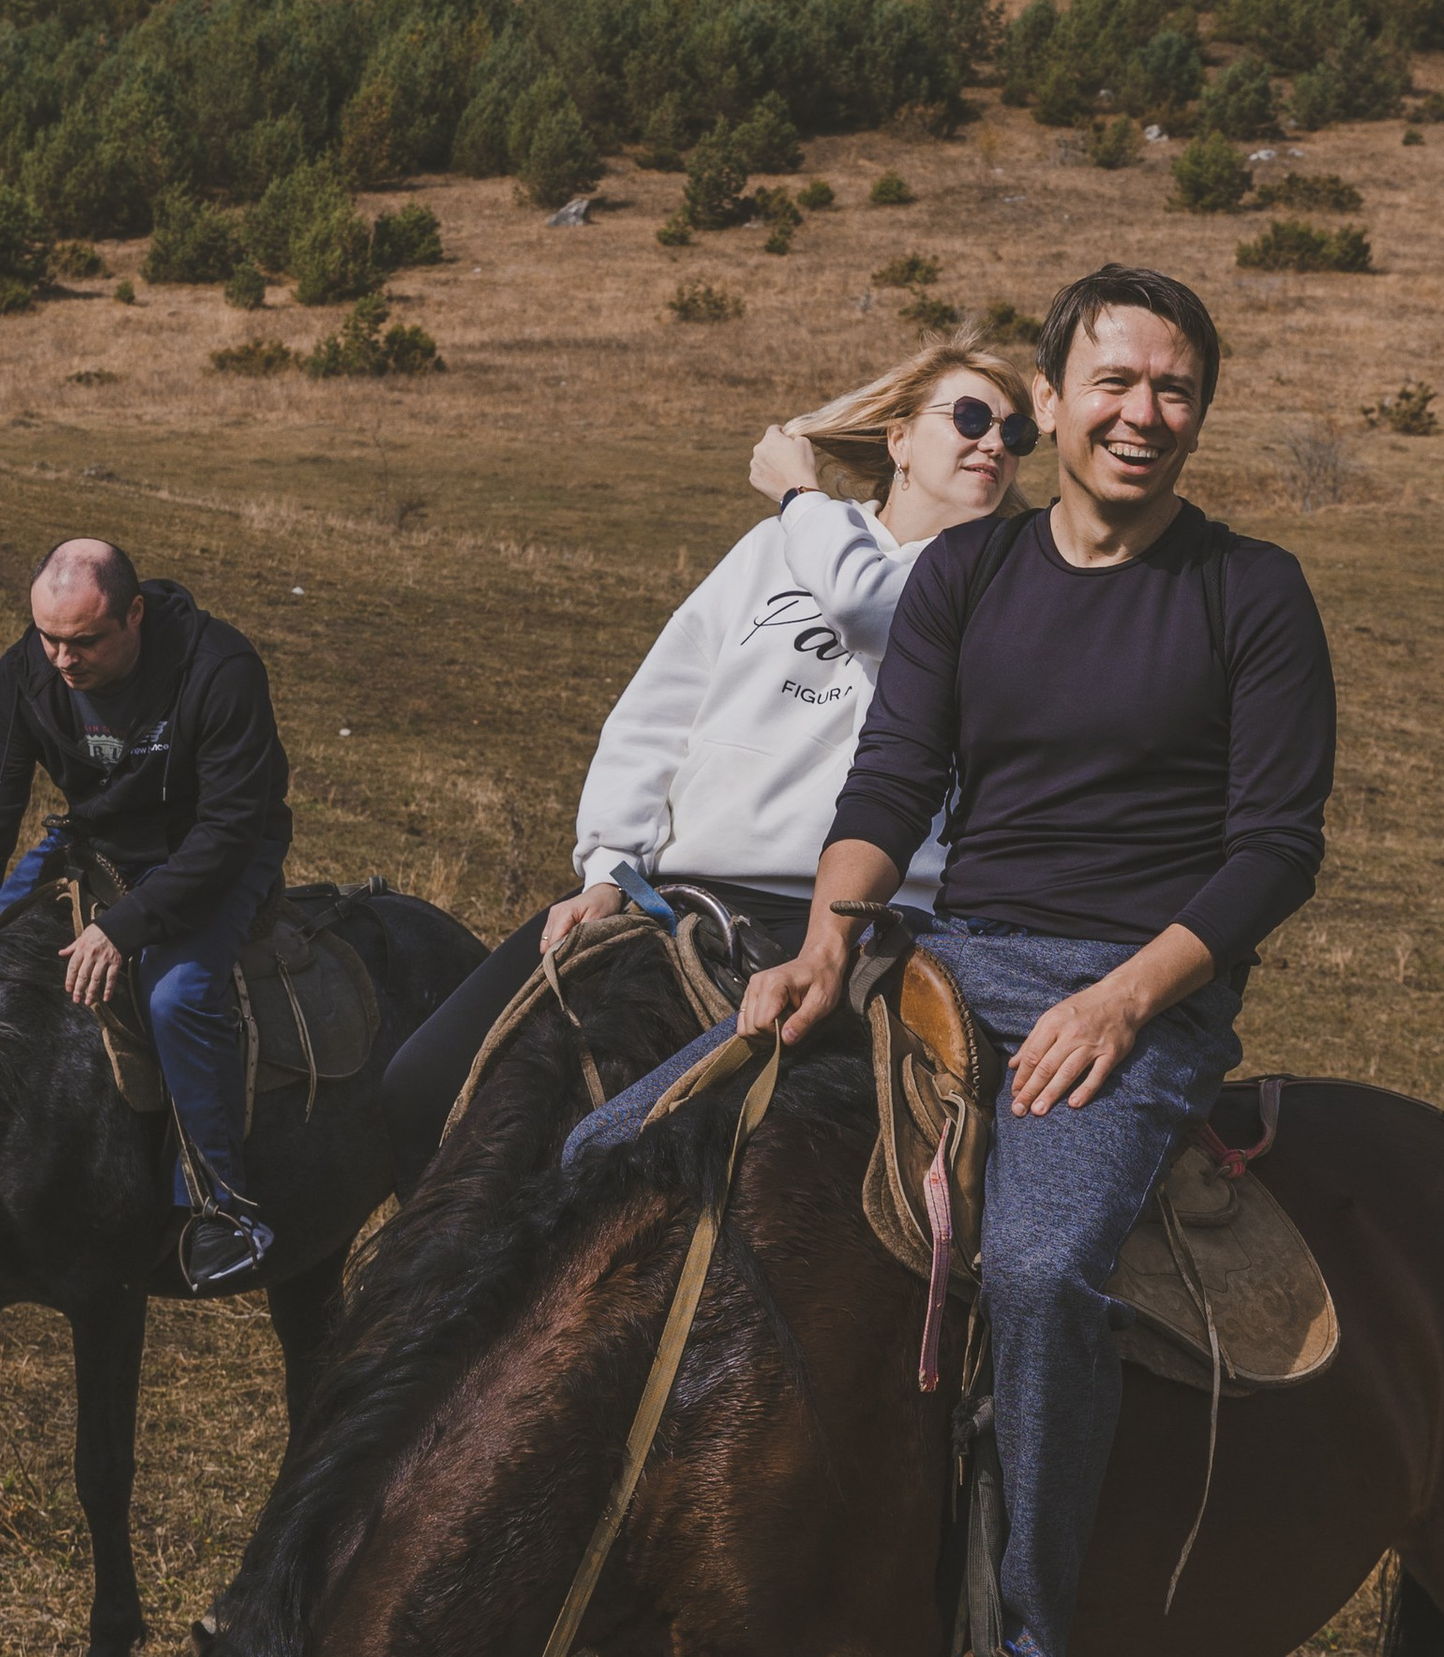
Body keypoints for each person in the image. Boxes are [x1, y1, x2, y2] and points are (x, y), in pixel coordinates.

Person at [737, 263, 1338, 1657]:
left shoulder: (1248, 593)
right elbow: (891, 782)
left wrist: (1131, 999)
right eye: (1116, 384)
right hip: (948, 958)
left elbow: (1275, 849)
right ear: (1054, 401)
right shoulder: (968, 578)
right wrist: (826, 944)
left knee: (1039, 1261)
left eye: (1178, 388)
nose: (1146, 413)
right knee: (662, 1126)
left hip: (1139, 995)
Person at [377, 343, 1036, 1185]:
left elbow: (870, 609)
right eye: (972, 418)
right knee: (420, 1090)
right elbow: (659, 712)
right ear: (900, 440)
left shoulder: (1005, 581)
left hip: (852, 928)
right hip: (678, 898)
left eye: (1014, 431)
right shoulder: (771, 551)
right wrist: (608, 866)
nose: (995, 444)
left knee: (689, 1176)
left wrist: (804, 497)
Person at [0, 540, 296, 1291]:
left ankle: (223, 1207)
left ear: (133, 615)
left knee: (177, 996)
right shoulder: (23, 675)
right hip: (98, 840)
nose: (63, 661)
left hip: (216, 851)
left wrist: (126, 926)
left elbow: (232, 828)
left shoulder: (222, 670)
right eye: (48, 639)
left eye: (83, 642)